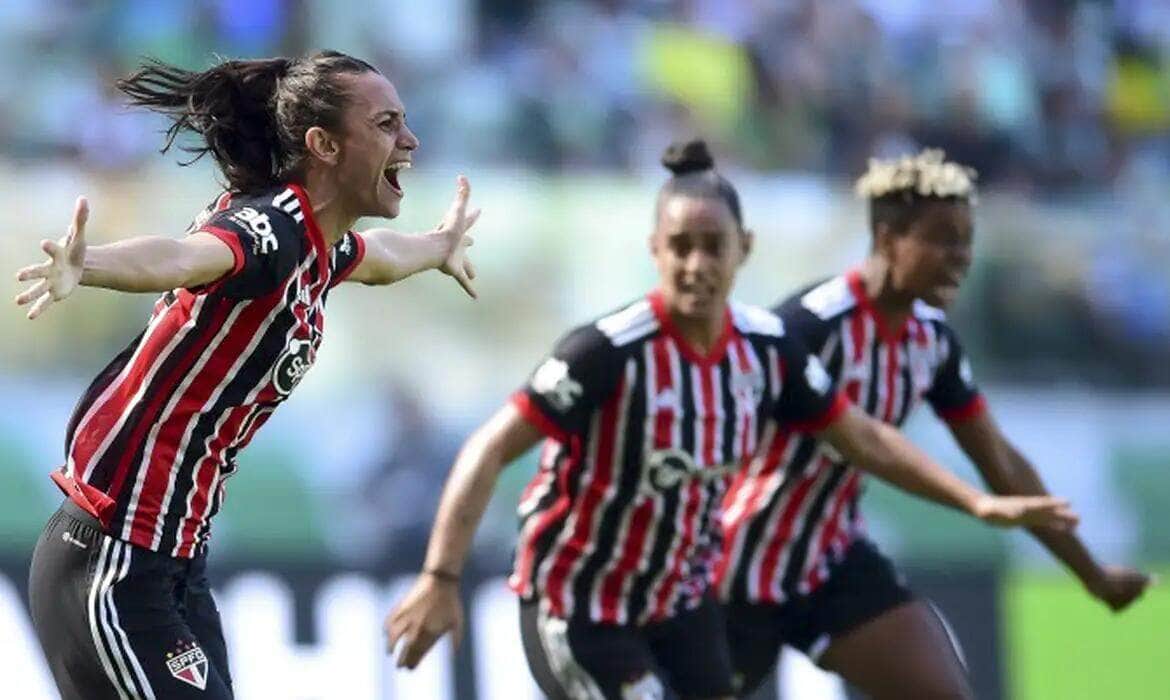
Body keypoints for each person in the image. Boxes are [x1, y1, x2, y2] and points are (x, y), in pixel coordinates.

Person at [383, 141, 1075, 700]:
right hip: (581, 606)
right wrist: (440, 577)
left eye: (713, 246)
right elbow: (488, 448)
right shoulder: (606, 353)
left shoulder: (768, 351)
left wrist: (975, 501)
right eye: (680, 246)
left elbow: (864, 439)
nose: (696, 264)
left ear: (744, 247)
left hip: (681, 604)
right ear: (655, 249)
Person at [14, 51, 480, 700]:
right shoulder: (271, 231)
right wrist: (87, 266)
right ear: (323, 145)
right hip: (114, 558)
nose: (409, 140)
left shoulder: (320, 245)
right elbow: (185, 257)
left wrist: (436, 248)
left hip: (174, 563)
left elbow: (376, 257)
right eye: (386, 123)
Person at [716, 149, 1152, 699]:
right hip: (736, 569)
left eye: (966, 242)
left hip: (830, 562)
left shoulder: (933, 342)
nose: (960, 258)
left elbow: (999, 460)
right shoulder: (809, 326)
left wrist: (1092, 573)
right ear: (887, 238)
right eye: (943, 240)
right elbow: (850, 440)